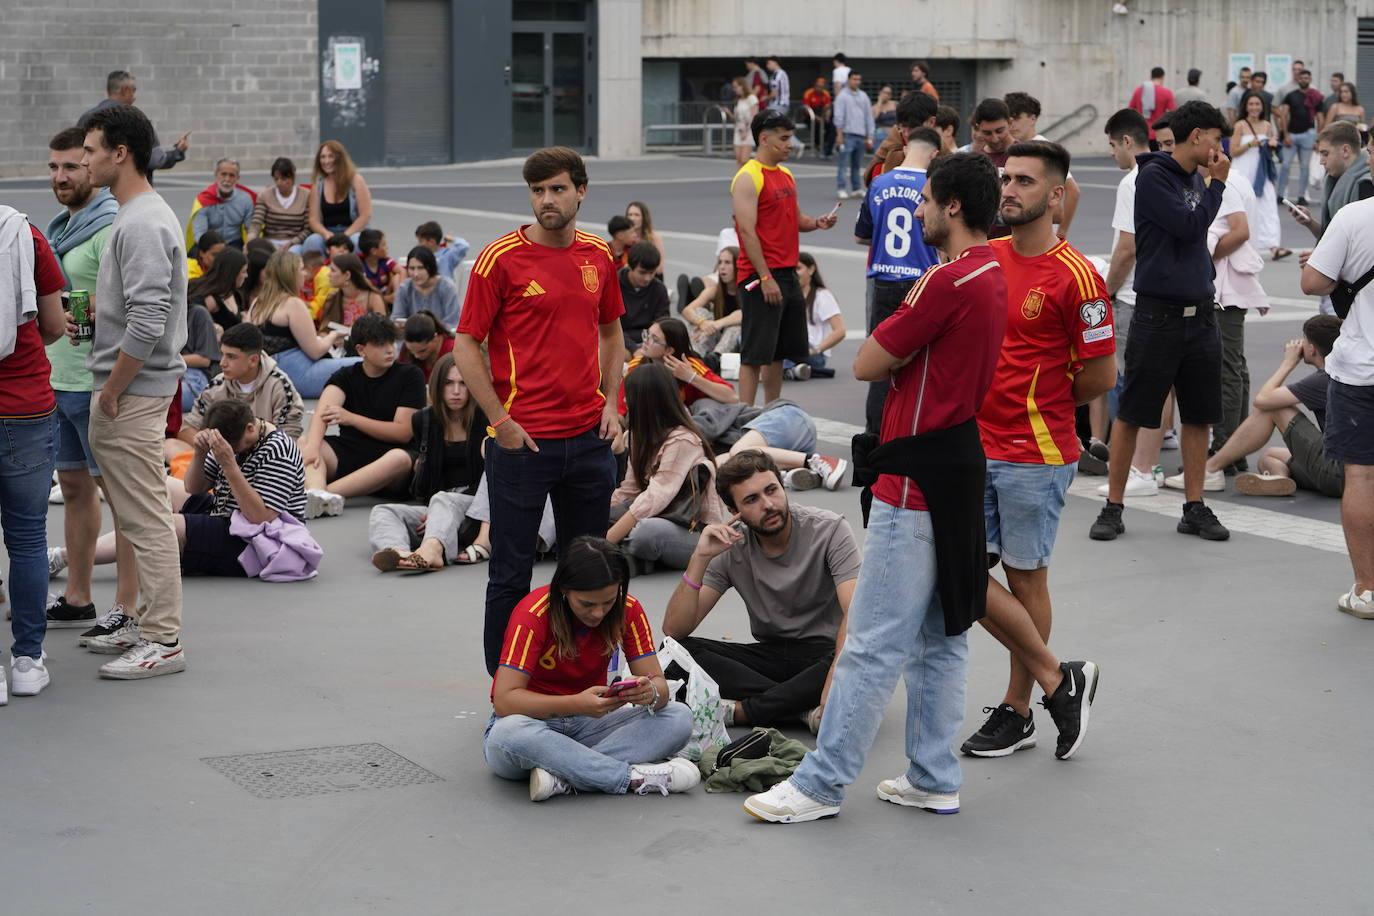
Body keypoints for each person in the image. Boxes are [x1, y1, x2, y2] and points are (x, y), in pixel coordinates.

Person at [742, 152, 1010, 824]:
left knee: (870, 640)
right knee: (941, 634)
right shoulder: (993, 273)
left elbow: (866, 362)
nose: (916, 214)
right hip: (958, 467)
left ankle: (820, 785)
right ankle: (933, 776)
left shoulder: (942, 283)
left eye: (924, 203)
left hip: (916, 478)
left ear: (950, 206)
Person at [962, 141, 1113, 760]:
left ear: (1056, 195)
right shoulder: (986, 256)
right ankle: (1060, 677)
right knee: (960, 574)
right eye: (1006, 179)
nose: (1009, 190)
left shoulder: (1080, 275)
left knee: (1025, 579)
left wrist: (1040, 400)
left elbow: (1099, 377)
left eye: (1024, 181)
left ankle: (1019, 708)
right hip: (974, 446)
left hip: (1037, 451)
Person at [455, 146, 626, 676]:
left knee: (589, 573)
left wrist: (614, 405)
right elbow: (466, 344)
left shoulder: (598, 255)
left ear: (581, 190)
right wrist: (500, 423)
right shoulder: (499, 258)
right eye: (537, 190)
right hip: (522, 444)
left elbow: (612, 331)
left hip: (589, 440)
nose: (546, 200)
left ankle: (582, 676)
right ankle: (505, 691)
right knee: (511, 572)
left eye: (556, 189)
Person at [79, 103, 189, 679]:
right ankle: (148, 624)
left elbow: (150, 321)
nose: (86, 159)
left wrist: (114, 390)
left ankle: (163, 639)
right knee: (136, 512)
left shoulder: (142, 221)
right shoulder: (140, 215)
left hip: (134, 391)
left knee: (144, 516)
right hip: (136, 386)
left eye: (93, 149)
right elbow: (143, 314)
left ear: (120, 153)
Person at [1091, 101, 1233, 544]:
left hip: (1200, 317)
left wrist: (1209, 184)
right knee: (1134, 413)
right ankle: (1113, 506)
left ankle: (1193, 506)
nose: (1220, 147)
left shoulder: (1195, 178)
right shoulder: (1152, 177)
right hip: (1157, 316)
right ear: (1196, 138)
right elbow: (1190, 226)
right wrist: (1218, 186)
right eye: (1215, 138)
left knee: (1198, 415)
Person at [485, 536, 698, 801]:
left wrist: (650, 692)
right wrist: (575, 704)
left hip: (589, 725)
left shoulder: (628, 609)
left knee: (678, 717)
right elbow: (504, 702)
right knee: (508, 734)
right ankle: (629, 778)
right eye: (587, 604)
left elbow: (660, 688)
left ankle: (566, 774)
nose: (598, 613)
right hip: (533, 724)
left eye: (608, 602)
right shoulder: (533, 614)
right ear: (564, 589)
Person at [662, 450, 858, 731]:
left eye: (772, 490)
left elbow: (855, 618)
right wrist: (699, 558)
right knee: (674, 653)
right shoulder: (731, 546)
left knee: (858, 656)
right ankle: (798, 710)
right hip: (771, 656)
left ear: (782, 486)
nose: (768, 504)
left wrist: (832, 685)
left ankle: (743, 711)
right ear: (734, 512)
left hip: (825, 654)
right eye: (752, 499)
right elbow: (675, 630)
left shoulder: (830, 530)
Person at [41, 126, 138, 636]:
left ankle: (127, 607)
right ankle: (78, 598)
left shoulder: (110, 228)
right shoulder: (61, 227)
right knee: (76, 489)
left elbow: (132, 302)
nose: (60, 176)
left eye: (71, 166)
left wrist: (83, 308)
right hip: (57, 379)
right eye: (54, 167)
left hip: (98, 384)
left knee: (122, 499)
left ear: (93, 170)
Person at [0, 207, 66, 700]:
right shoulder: (25, 234)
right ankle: (26, 659)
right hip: (25, 407)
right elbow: (55, 325)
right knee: (26, 540)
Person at [1167, 316, 1343, 498]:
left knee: (1274, 408)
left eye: (1304, 339)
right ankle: (1278, 478)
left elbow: (1263, 400)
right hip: (1356, 473)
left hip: (1338, 473)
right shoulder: (1345, 372)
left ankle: (1210, 470)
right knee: (1270, 456)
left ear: (1312, 349)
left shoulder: (1324, 378)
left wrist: (1288, 363)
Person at [732, 110, 839, 407]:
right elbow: (746, 231)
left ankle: (772, 409)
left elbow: (793, 218)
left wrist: (816, 222)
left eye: (790, 137)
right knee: (755, 353)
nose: (791, 144)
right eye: (784, 138)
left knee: (778, 352)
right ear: (764, 139)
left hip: (787, 273)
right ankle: (745, 415)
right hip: (760, 276)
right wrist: (764, 277)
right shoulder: (748, 177)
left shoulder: (786, 175)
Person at [1301, 195, 1374, 618]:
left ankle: (1366, 588)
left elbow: (1312, 282)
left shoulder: (1354, 216)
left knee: (1362, 474)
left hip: (1362, 368)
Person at [855, 119, 943, 432]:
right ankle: (912, 429)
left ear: (906, 148)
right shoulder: (933, 188)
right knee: (921, 363)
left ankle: (874, 436)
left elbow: (861, 235)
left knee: (879, 362)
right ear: (934, 155)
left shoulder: (879, 183)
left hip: (884, 281)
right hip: (921, 280)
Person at [1098, 108, 1168, 495]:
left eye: (1111, 145)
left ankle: (1135, 471)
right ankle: (1149, 464)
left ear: (1127, 141)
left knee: (1131, 383)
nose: (1111, 154)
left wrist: (1106, 290)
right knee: (1160, 384)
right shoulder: (1166, 172)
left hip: (1131, 296)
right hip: (1159, 293)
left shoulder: (1133, 181)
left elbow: (1127, 248)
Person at [368, 353, 489, 571]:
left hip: (474, 511)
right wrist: (433, 512)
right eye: (448, 383)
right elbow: (426, 482)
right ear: (437, 386)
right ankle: (399, 552)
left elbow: (488, 484)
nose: (456, 391)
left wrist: (438, 508)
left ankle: (432, 550)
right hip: (437, 507)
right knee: (383, 511)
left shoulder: (485, 420)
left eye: (463, 384)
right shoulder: (424, 420)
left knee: (443, 500)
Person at [301, 313, 426, 515]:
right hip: (352, 452)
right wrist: (313, 447)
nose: (389, 349)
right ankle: (315, 495)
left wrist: (352, 418)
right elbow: (321, 414)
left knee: (399, 459)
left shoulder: (410, 376)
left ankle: (324, 495)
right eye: (380, 344)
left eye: (391, 342)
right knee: (306, 442)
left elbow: (403, 432)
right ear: (361, 349)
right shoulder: (345, 376)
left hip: (393, 459)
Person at [607, 363, 728, 571]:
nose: (625, 401)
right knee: (597, 517)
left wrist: (606, 541)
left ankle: (628, 553)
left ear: (646, 401)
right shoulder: (636, 436)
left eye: (629, 396)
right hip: (653, 513)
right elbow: (630, 490)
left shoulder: (683, 440)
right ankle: (637, 559)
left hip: (691, 528)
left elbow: (656, 495)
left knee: (647, 533)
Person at [1202, 156, 1267, 463]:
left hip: (1226, 287)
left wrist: (1206, 258)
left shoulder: (1226, 185)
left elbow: (1241, 232)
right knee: (1234, 366)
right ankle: (1234, 444)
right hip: (1229, 287)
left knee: (1226, 368)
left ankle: (1226, 445)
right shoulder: (1232, 182)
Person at [171, 322, 305, 461]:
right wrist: (211, 445)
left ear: (253, 360)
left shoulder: (280, 386)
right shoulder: (217, 385)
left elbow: (287, 439)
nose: (222, 363)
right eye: (222, 354)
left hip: (265, 460)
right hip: (218, 459)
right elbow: (187, 429)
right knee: (170, 445)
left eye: (231, 357)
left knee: (304, 448)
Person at [247, 249, 354, 399]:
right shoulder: (293, 304)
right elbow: (315, 352)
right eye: (301, 269)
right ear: (291, 274)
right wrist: (333, 336)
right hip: (297, 375)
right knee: (364, 364)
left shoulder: (257, 303)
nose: (304, 273)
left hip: (269, 375)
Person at [619, 318, 736, 419]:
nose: (645, 341)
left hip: (689, 422)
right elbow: (620, 409)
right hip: (648, 424)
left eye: (654, 339)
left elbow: (732, 397)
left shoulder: (689, 366)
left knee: (707, 407)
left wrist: (690, 377)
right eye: (647, 334)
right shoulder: (636, 366)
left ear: (669, 350)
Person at [78, 70, 189, 175]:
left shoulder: (86, 118)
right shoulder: (136, 121)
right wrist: (178, 152)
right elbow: (156, 160)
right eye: (134, 90)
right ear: (125, 90)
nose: (134, 97)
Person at [1005, 92, 1081, 239]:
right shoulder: (1016, 147)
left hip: (1042, 234)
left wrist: (1062, 230)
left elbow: (1073, 191)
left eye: (1017, 118)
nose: (1012, 124)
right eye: (1008, 119)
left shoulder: (1043, 148)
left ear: (1032, 118)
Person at [1230, 92, 1290, 261]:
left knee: (1269, 205)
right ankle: (1246, 245)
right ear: (1245, 106)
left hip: (1262, 171)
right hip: (1243, 170)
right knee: (1245, 207)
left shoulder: (1267, 125)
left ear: (1263, 106)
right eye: (1251, 104)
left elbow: (1272, 148)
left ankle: (1273, 246)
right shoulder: (1240, 125)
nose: (1255, 107)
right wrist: (1250, 144)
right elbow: (1233, 151)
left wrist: (1272, 145)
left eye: (1258, 104)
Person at [1290, 122, 1373, 243]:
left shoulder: (1365, 184)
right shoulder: (1334, 179)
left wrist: (1324, 260)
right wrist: (1310, 222)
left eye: (1325, 154)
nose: (1321, 161)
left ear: (1345, 150)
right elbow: (1330, 236)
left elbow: (1363, 245)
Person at [302, 140, 372, 256]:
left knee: (355, 241)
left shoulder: (355, 180)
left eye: (331, 156)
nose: (326, 161)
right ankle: (320, 273)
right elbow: (313, 220)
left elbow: (365, 215)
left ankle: (356, 272)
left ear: (340, 158)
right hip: (328, 232)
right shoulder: (318, 184)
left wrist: (344, 235)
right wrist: (325, 234)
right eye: (323, 157)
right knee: (312, 241)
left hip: (353, 230)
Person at [784, 251, 843, 380]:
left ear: (811, 269)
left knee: (778, 357)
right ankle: (794, 370)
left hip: (814, 353)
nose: (794, 274)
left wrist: (816, 350)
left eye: (798, 268)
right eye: (791, 270)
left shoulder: (822, 296)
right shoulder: (789, 295)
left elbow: (840, 331)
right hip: (792, 348)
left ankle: (790, 368)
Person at [680, 247, 742, 356]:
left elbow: (744, 314)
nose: (722, 267)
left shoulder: (747, 290)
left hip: (736, 343)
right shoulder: (715, 290)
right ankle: (694, 353)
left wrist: (717, 324)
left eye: (727, 263)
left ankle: (715, 359)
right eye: (720, 262)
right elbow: (687, 310)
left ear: (738, 265)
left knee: (735, 328)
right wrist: (702, 323)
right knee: (700, 312)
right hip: (714, 336)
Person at [1278, 70, 1324, 205]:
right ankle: (1280, 194)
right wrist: (1285, 134)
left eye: (1306, 77)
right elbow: (1284, 115)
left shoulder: (1316, 97)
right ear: (1298, 80)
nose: (1304, 79)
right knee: (1285, 165)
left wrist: (1318, 139)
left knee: (1305, 166)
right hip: (1291, 135)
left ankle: (1301, 196)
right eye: (1302, 77)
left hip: (1308, 135)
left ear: (1310, 79)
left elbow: (1320, 119)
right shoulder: (1290, 95)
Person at [190, 160, 255, 251]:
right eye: (223, 174)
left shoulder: (246, 200)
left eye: (232, 175)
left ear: (238, 178)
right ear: (216, 175)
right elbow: (199, 233)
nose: (227, 179)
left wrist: (248, 246)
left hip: (234, 244)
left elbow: (251, 229)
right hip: (208, 244)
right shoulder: (203, 199)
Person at [618, 241, 670, 353]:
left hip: (650, 342)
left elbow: (662, 325)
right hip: (620, 341)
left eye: (652, 273)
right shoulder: (613, 285)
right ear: (630, 266)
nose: (647, 278)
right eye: (642, 273)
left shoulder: (659, 289)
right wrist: (634, 349)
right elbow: (611, 328)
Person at [250, 157, 311, 250]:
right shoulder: (265, 195)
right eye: (276, 179)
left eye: (283, 178)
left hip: (294, 242)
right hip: (270, 241)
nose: (279, 183)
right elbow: (256, 223)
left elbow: (308, 228)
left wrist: (293, 242)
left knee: (294, 253)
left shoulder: (306, 195)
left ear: (292, 177)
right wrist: (250, 240)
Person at [393, 245, 460, 326]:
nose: (416, 274)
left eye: (421, 268)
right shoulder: (404, 288)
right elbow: (396, 319)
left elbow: (452, 322)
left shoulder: (447, 287)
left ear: (431, 267)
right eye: (412, 268)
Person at [832, 71, 874, 200]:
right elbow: (838, 116)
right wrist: (839, 135)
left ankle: (856, 188)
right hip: (847, 134)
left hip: (861, 135)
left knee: (857, 164)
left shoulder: (863, 96)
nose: (857, 81)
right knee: (843, 163)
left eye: (858, 79)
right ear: (849, 80)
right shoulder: (842, 96)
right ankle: (841, 188)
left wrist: (870, 136)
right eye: (854, 79)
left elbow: (869, 117)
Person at [316, 252, 385, 330]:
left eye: (333, 270)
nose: (328, 274)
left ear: (347, 275)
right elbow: (323, 330)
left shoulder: (373, 299)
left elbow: (382, 332)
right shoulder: (332, 298)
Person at [186, 245, 246, 333]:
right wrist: (213, 327)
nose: (246, 275)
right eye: (244, 271)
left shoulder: (235, 294)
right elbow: (192, 319)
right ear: (233, 273)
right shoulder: (210, 298)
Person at [180, 300, 221, 411]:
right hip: (166, 374)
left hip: (193, 375)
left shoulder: (198, 313)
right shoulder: (156, 314)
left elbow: (204, 359)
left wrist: (168, 360)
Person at [398, 310, 456, 381]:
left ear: (435, 338)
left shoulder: (452, 349)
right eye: (411, 351)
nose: (417, 356)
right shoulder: (405, 349)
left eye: (422, 350)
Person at [308, 233, 354, 319]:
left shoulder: (354, 272)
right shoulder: (317, 269)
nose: (341, 250)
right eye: (337, 246)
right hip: (316, 311)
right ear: (328, 250)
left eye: (345, 248)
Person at [358, 228, 402, 308]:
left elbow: (402, 271)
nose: (387, 247)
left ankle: (399, 300)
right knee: (364, 281)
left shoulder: (385, 260)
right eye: (384, 245)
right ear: (374, 251)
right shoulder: (359, 263)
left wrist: (398, 293)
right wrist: (386, 299)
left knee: (397, 277)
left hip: (386, 293)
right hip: (369, 299)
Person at [1130, 67, 1177, 138]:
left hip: (1141, 133)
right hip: (1158, 134)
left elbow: (1130, 110)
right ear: (1162, 77)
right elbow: (1173, 113)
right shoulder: (1167, 92)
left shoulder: (1138, 91)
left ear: (1151, 76)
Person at [624, 202, 665, 272]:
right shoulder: (624, 238)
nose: (632, 218)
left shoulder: (654, 238)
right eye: (629, 215)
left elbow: (660, 268)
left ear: (644, 217)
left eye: (637, 215)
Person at [731, 76, 760, 167]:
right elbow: (737, 118)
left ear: (742, 86)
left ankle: (749, 175)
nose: (735, 89)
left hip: (748, 129)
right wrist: (729, 113)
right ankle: (740, 179)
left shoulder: (751, 98)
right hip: (739, 129)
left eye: (736, 87)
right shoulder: (738, 100)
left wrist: (746, 131)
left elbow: (753, 116)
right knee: (739, 158)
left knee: (744, 159)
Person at [803, 77, 833, 158]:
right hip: (810, 116)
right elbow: (806, 109)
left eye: (821, 86)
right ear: (815, 85)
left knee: (831, 126)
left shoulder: (826, 94)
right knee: (816, 126)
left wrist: (826, 117)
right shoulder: (808, 93)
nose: (820, 88)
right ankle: (818, 144)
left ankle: (826, 144)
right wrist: (817, 118)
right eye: (818, 86)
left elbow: (828, 107)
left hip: (822, 115)